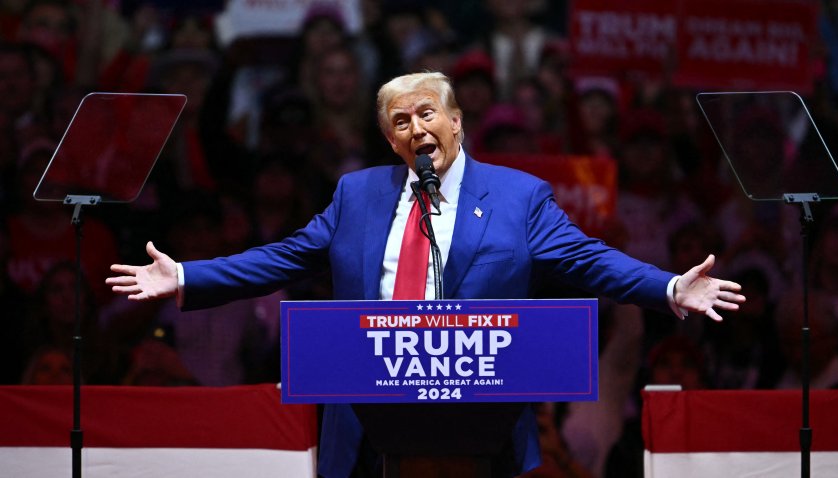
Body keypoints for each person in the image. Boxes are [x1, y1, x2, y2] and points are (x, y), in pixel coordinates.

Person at [106, 72, 746, 478]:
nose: (416, 128)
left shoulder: (518, 198)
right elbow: (284, 255)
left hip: (482, 419)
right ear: (391, 142)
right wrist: (187, 277)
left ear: (456, 122)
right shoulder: (357, 196)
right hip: (368, 421)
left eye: (426, 113)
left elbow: (588, 257)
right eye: (400, 122)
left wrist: (668, 287)